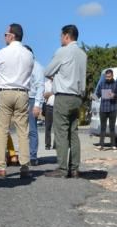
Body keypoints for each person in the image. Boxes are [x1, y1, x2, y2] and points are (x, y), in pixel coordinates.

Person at [44, 24, 87, 178]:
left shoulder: (63, 51)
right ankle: (74, 168)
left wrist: (56, 77)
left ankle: (62, 169)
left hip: (63, 96)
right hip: (77, 97)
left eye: (61, 36)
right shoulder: (83, 54)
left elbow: (47, 71)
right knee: (73, 133)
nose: (60, 39)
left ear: (67, 36)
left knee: (61, 132)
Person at [0, 23, 34, 179]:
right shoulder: (29, 54)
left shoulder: (3, 53)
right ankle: (25, 167)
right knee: (23, 132)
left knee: (2, 131)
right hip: (23, 93)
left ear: (11, 35)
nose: (4, 37)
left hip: (5, 91)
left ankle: (1, 167)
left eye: (5, 34)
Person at [24, 46, 44, 166]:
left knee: (32, 129)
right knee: (21, 129)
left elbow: (40, 86)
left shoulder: (37, 66)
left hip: (31, 99)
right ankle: (23, 155)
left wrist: (38, 105)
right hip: (21, 97)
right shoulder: (22, 65)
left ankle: (33, 156)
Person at [95, 69, 117, 150]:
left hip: (113, 108)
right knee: (103, 127)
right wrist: (93, 97)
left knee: (112, 127)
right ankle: (101, 145)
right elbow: (97, 95)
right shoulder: (101, 84)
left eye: (109, 76)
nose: (107, 78)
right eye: (106, 77)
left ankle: (113, 145)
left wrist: (114, 95)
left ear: (112, 76)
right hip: (103, 108)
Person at [43, 78, 55, 149]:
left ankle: (56, 144)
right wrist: (52, 93)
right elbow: (44, 95)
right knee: (48, 127)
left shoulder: (59, 82)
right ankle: (47, 145)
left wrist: (49, 93)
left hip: (57, 107)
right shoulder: (46, 83)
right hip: (48, 107)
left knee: (57, 127)